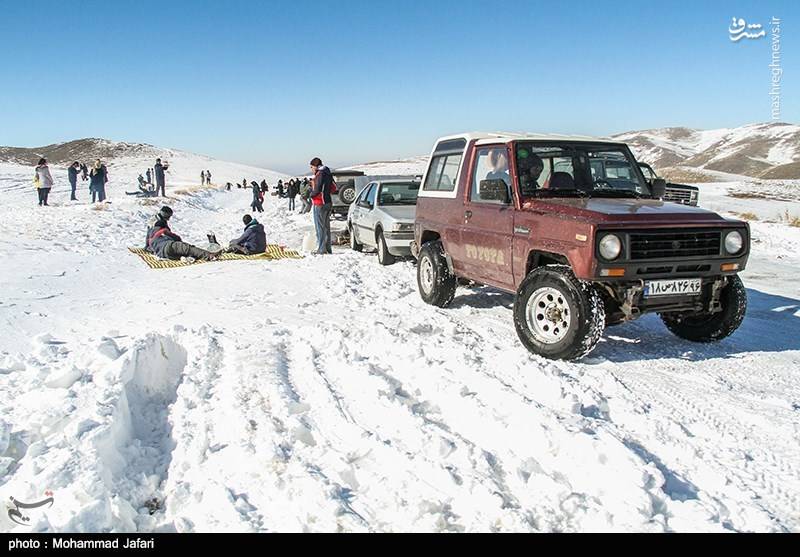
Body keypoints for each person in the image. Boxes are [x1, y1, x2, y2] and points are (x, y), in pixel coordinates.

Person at [144, 206, 218, 261]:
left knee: (184, 252)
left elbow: (148, 239)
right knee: (189, 249)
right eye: (168, 217)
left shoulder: (152, 230)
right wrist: (179, 242)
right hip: (169, 246)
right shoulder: (160, 226)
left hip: (163, 254)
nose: (169, 219)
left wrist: (147, 248)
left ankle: (188, 257)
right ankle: (210, 255)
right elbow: (174, 237)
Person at [309, 157, 333, 254]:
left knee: (319, 226)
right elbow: (334, 187)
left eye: (311, 167)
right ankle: (328, 248)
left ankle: (321, 248)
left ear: (315, 166)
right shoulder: (328, 173)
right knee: (326, 226)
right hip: (328, 202)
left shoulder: (319, 174)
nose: (311, 169)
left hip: (319, 202)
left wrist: (311, 194)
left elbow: (318, 189)